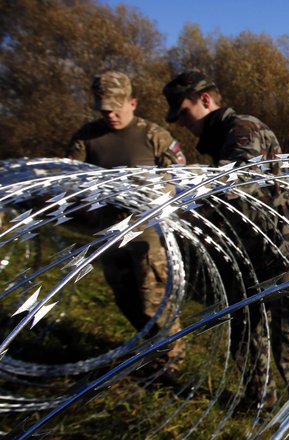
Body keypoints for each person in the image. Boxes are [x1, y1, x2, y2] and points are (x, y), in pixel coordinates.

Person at [162, 70, 289, 408]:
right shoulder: (222, 138)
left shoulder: (243, 129)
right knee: (245, 330)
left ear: (205, 100)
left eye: (184, 113)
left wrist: (185, 187)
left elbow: (239, 178)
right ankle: (259, 401)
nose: (183, 124)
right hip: (247, 251)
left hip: (283, 249)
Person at [65, 71, 187, 378]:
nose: (111, 114)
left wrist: (156, 198)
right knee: (124, 294)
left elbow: (180, 175)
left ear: (132, 102)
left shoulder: (153, 135)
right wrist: (87, 205)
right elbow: (70, 179)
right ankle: (149, 347)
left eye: (117, 107)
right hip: (109, 230)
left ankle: (171, 358)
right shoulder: (87, 138)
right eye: (104, 108)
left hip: (148, 230)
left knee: (153, 295)